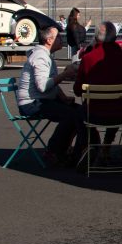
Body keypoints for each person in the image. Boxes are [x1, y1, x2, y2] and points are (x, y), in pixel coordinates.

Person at [73, 21, 122, 163]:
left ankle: (89, 145)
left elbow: (77, 90)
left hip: (93, 113)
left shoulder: (87, 59)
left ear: (96, 38)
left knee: (79, 113)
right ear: (115, 37)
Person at [16, 25, 82, 166]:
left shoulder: (46, 55)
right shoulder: (40, 57)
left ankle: (64, 149)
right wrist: (65, 74)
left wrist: (63, 98)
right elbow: (43, 86)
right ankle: (53, 151)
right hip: (31, 103)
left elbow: (51, 83)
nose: (61, 39)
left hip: (41, 100)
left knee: (80, 111)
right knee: (71, 115)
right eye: (58, 36)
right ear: (49, 40)